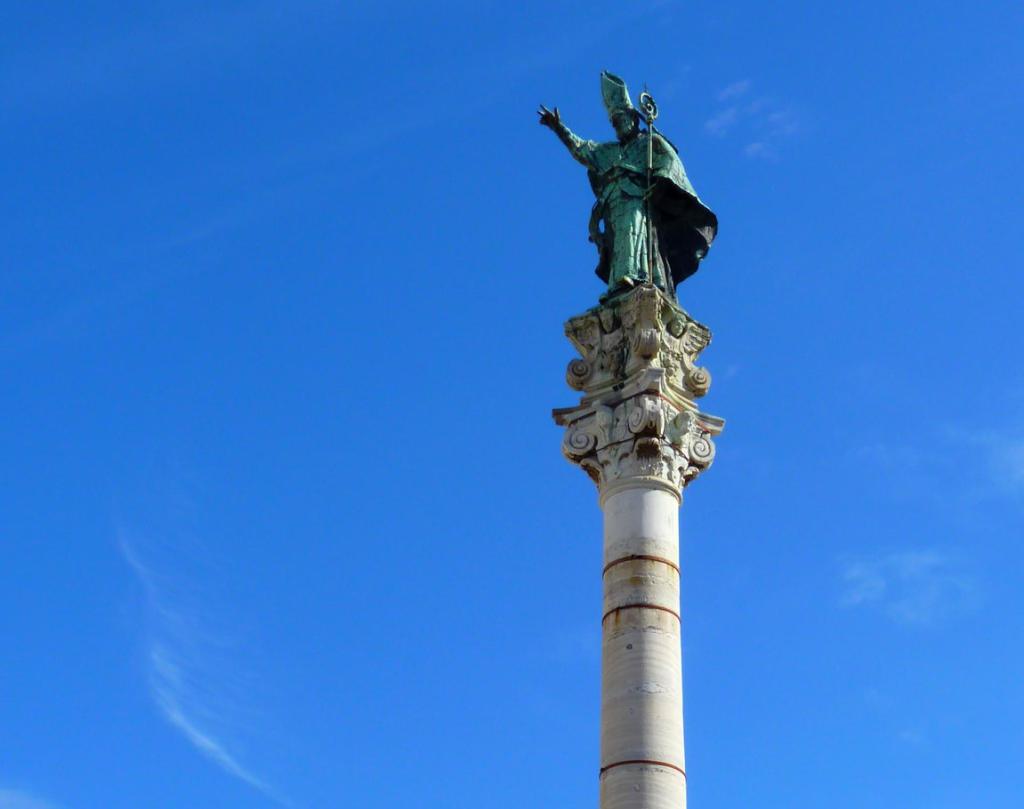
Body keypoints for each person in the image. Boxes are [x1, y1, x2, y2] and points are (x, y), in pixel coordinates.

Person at [539, 71, 717, 299]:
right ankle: (619, 282)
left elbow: (670, 162)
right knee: (618, 242)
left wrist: (660, 182)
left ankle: (633, 275)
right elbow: (582, 149)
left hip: (636, 198)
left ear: (633, 119)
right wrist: (559, 128)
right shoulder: (609, 151)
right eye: (614, 123)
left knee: (633, 233)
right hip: (613, 203)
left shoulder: (650, 143)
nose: (618, 126)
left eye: (621, 120)